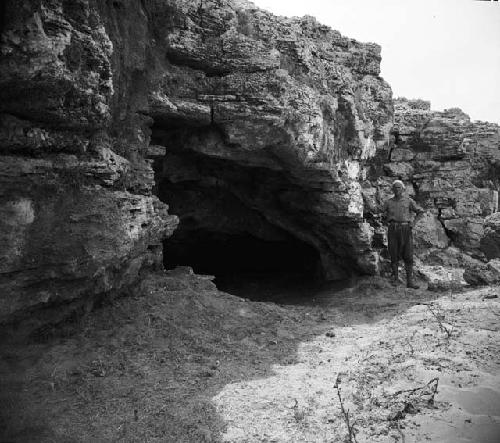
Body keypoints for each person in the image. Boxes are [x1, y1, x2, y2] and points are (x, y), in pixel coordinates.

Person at [383, 180, 424, 288]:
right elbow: (379, 211)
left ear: (403, 189)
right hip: (393, 229)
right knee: (393, 254)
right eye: (395, 188)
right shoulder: (388, 202)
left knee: (408, 255)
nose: (397, 190)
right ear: (392, 189)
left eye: (399, 188)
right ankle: (396, 279)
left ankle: (409, 282)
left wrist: (413, 223)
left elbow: (420, 212)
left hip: (406, 229)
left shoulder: (408, 201)